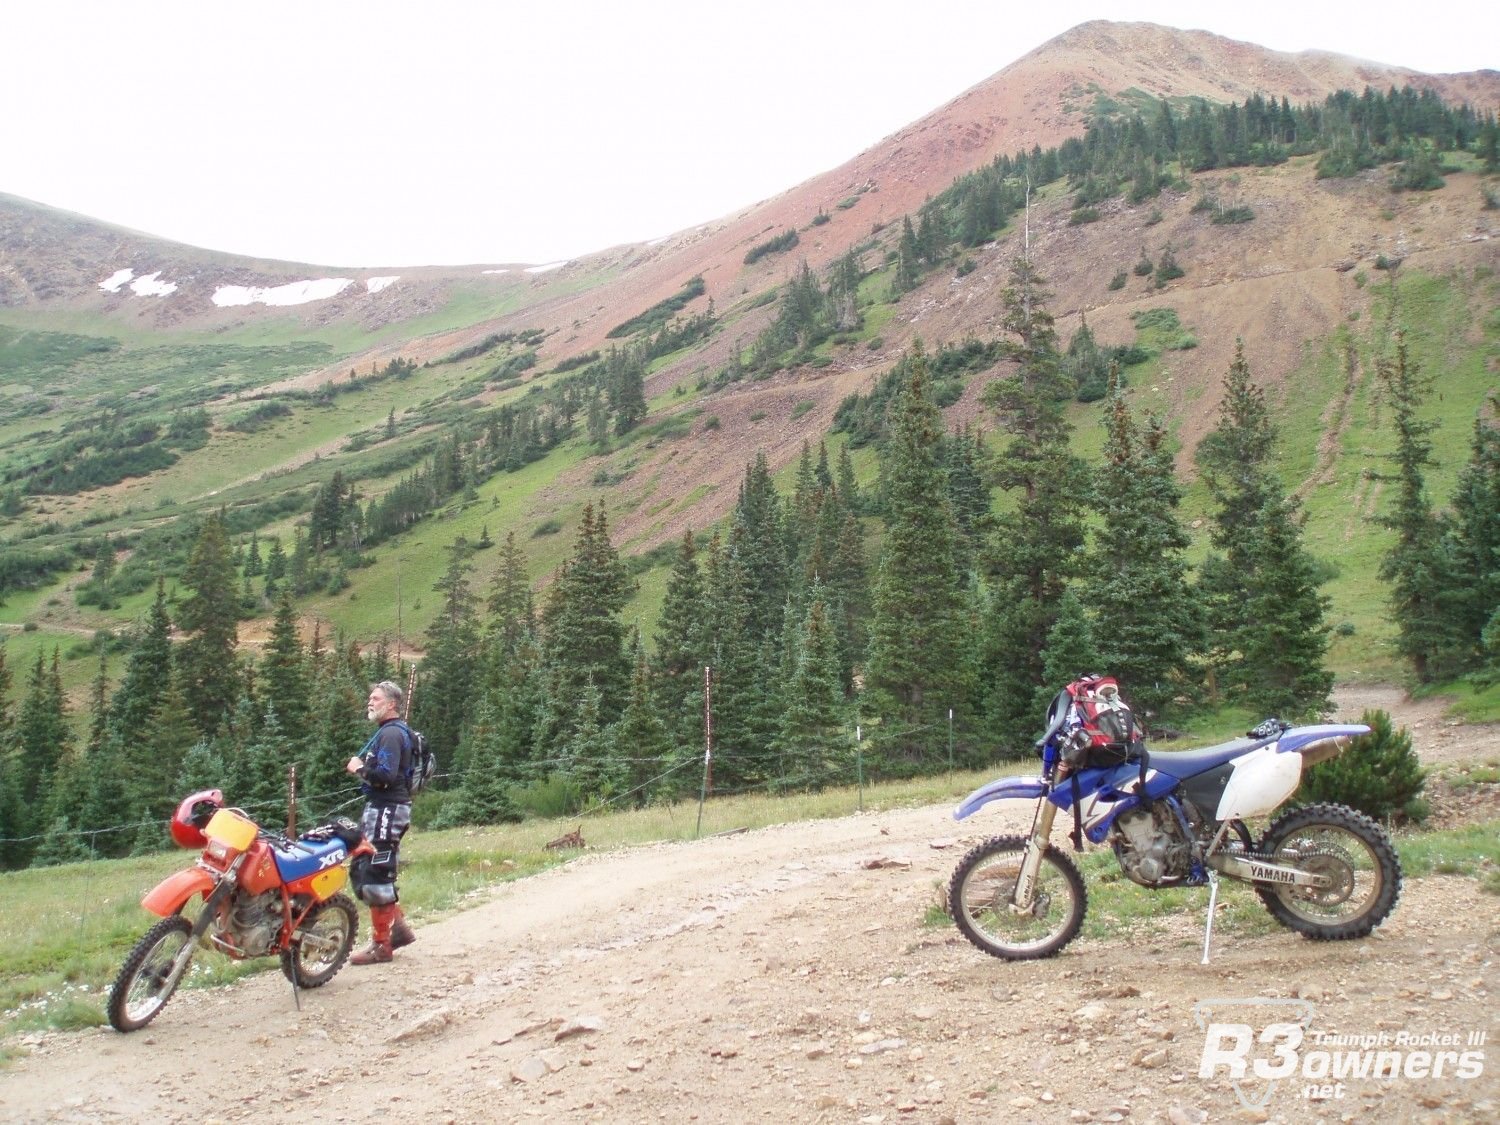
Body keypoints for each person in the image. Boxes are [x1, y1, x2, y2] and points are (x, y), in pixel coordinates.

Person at [345, 679, 418, 964]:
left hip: (388, 809)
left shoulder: (390, 735)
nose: (370, 702)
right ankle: (397, 928)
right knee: (368, 867)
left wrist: (359, 768)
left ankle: (382, 945)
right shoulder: (390, 731)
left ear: (391, 704)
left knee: (376, 870)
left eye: (375, 698)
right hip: (383, 808)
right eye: (370, 698)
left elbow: (386, 777)